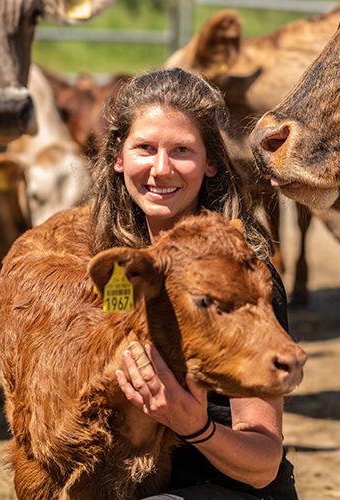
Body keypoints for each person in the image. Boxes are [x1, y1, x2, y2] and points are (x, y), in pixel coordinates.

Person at [88, 67, 298, 499]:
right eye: (145, 148)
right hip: (129, 479)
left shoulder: (241, 274)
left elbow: (262, 464)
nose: (161, 169)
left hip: (224, 486)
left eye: (182, 150)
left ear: (212, 163)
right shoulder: (115, 263)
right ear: (118, 157)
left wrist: (193, 425)